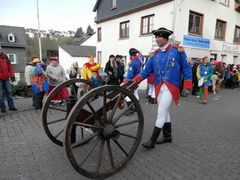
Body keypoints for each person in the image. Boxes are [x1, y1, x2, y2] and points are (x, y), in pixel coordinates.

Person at [132, 27, 192, 149]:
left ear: (165, 38)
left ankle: (152, 140)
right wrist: (134, 81)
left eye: (159, 37)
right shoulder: (154, 55)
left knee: (161, 112)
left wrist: (187, 86)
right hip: (159, 87)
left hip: (171, 86)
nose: (157, 39)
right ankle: (167, 136)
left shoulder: (178, 51)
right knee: (164, 111)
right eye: (156, 37)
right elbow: (146, 72)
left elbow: (186, 68)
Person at [124, 48, 144, 115]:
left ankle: (130, 110)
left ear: (130, 55)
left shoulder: (132, 63)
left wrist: (126, 80)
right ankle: (136, 108)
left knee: (127, 95)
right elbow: (141, 56)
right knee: (135, 93)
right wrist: (138, 51)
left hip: (132, 80)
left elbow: (129, 75)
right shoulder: (140, 59)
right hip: (138, 80)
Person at [0, 46, 18, 113]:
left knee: (9, 92)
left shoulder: (5, 56)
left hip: (6, 77)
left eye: (0, 49)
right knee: (0, 95)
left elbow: (10, 66)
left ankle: (11, 106)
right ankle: (2, 107)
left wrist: (12, 75)